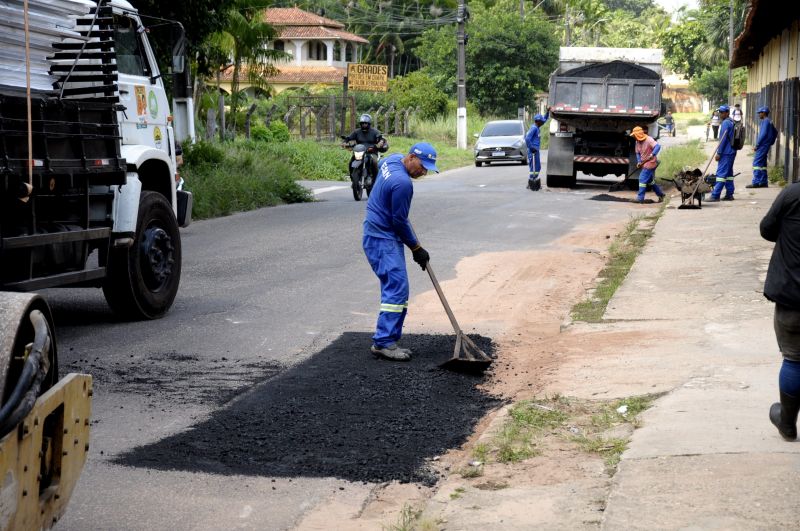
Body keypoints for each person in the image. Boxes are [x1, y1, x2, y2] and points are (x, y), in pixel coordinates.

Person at [363, 142, 439, 361]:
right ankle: (384, 342)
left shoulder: (392, 159)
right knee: (396, 288)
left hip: (377, 232)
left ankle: (388, 338)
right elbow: (399, 221)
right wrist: (417, 248)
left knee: (397, 288)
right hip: (382, 238)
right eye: (422, 166)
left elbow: (396, 213)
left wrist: (390, 203)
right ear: (411, 157)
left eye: (428, 169)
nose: (423, 171)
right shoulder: (403, 183)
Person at [760, 183, 800, 440]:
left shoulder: (792, 194)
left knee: (795, 359)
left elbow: (767, 229)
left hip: (793, 295)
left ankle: (787, 423)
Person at [342, 114, 387, 180]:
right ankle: (352, 176)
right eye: (362, 123)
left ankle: (376, 179)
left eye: (365, 123)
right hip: (359, 152)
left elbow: (381, 138)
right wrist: (344, 142)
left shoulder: (375, 132)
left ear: (369, 123)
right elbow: (348, 138)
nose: (364, 125)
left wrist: (381, 142)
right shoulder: (357, 132)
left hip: (371, 152)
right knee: (351, 162)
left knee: (374, 162)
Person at [708, 105, 737, 202]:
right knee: (728, 174)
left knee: (720, 174)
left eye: (722, 112)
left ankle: (715, 195)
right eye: (720, 112)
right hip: (731, 151)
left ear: (727, 113)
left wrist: (719, 153)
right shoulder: (731, 121)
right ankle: (729, 194)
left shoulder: (725, 123)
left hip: (726, 152)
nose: (720, 114)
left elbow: (723, 140)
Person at [630, 126, 665, 203]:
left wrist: (653, 154)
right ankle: (661, 194)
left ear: (638, 135)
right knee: (650, 181)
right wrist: (639, 161)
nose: (634, 137)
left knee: (642, 179)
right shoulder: (637, 142)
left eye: (635, 136)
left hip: (651, 162)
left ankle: (640, 198)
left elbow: (658, 146)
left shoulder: (649, 140)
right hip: (644, 163)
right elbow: (637, 153)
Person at [746, 106, 778, 189]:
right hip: (765, 145)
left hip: (762, 145)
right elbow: (775, 132)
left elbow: (763, 135)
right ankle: (763, 182)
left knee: (756, 163)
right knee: (763, 164)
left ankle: (756, 182)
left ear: (764, 113)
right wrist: (770, 142)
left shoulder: (765, 121)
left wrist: (757, 145)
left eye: (760, 113)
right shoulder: (769, 121)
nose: (758, 114)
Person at [524, 107, 550, 191]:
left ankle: (533, 181)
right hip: (533, 151)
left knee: (537, 167)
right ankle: (531, 182)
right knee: (533, 168)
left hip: (535, 150)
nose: (543, 122)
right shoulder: (534, 128)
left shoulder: (537, 127)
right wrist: (531, 148)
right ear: (538, 121)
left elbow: (545, 119)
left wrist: (547, 112)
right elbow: (527, 138)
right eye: (541, 121)